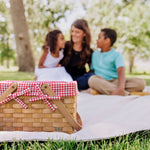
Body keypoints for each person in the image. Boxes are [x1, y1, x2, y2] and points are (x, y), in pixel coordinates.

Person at [88, 28, 145, 96]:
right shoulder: (95, 54)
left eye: (99, 38)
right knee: (92, 80)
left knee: (141, 83)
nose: (97, 40)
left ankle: (105, 91)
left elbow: (121, 71)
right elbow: (92, 70)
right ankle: (127, 94)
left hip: (115, 81)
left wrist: (121, 87)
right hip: (101, 81)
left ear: (107, 40)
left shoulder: (117, 55)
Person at [60, 19, 94, 90]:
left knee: (92, 76)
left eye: (77, 32)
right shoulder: (65, 46)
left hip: (78, 81)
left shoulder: (88, 51)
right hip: (64, 79)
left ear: (84, 34)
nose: (73, 34)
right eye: (72, 31)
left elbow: (92, 69)